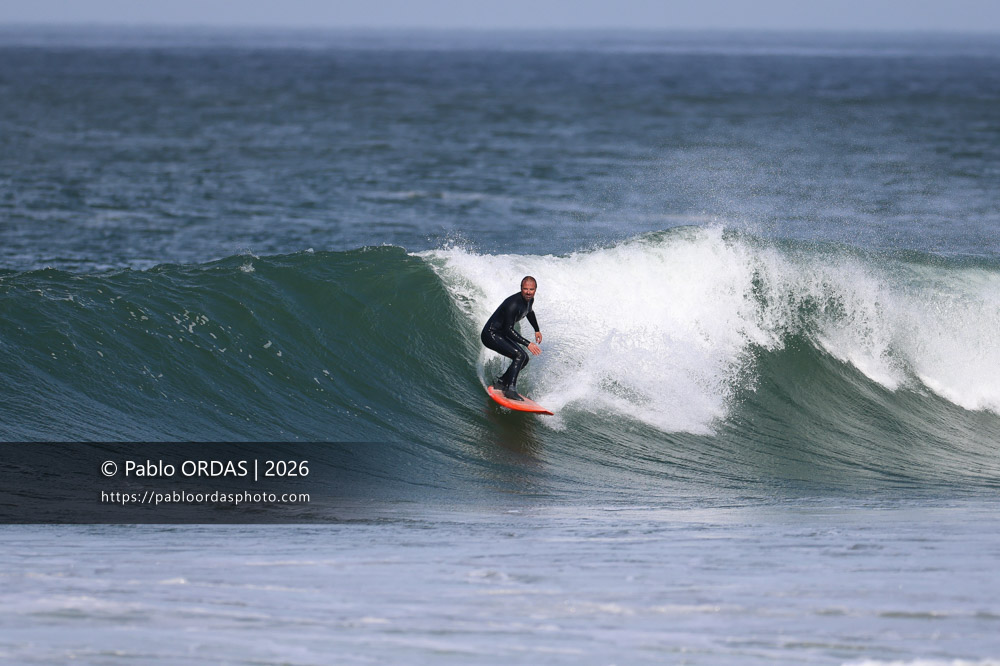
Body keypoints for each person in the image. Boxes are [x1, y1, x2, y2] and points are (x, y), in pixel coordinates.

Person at [481, 276, 543, 401]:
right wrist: (527, 343)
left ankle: (502, 382)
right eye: (525, 289)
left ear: (535, 290)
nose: (528, 292)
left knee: (524, 358)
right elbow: (508, 330)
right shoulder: (513, 304)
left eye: (531, 289)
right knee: (520, 355)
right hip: (490, 334)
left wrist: (536, 329)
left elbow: (529, 312)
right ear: (521, 288)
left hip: (500, 334)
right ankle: (510, 389)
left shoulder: (530, 299)